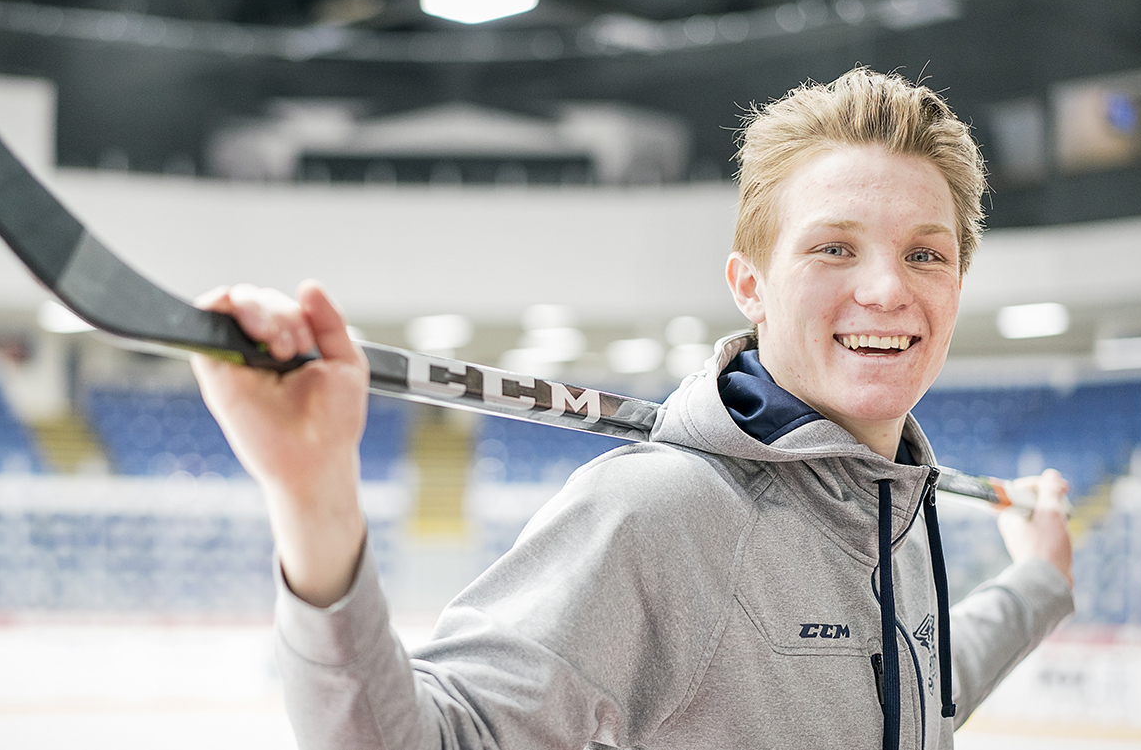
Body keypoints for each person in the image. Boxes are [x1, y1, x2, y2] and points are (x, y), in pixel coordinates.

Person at [189, 68, 1075, 750]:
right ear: (750, 287)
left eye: (926, 254)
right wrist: (312, 497)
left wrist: (1041, 580)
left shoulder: (893, 498)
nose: (886, 288)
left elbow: (915, 691)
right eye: (834, 247)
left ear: (959, 282)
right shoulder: (665, 514)